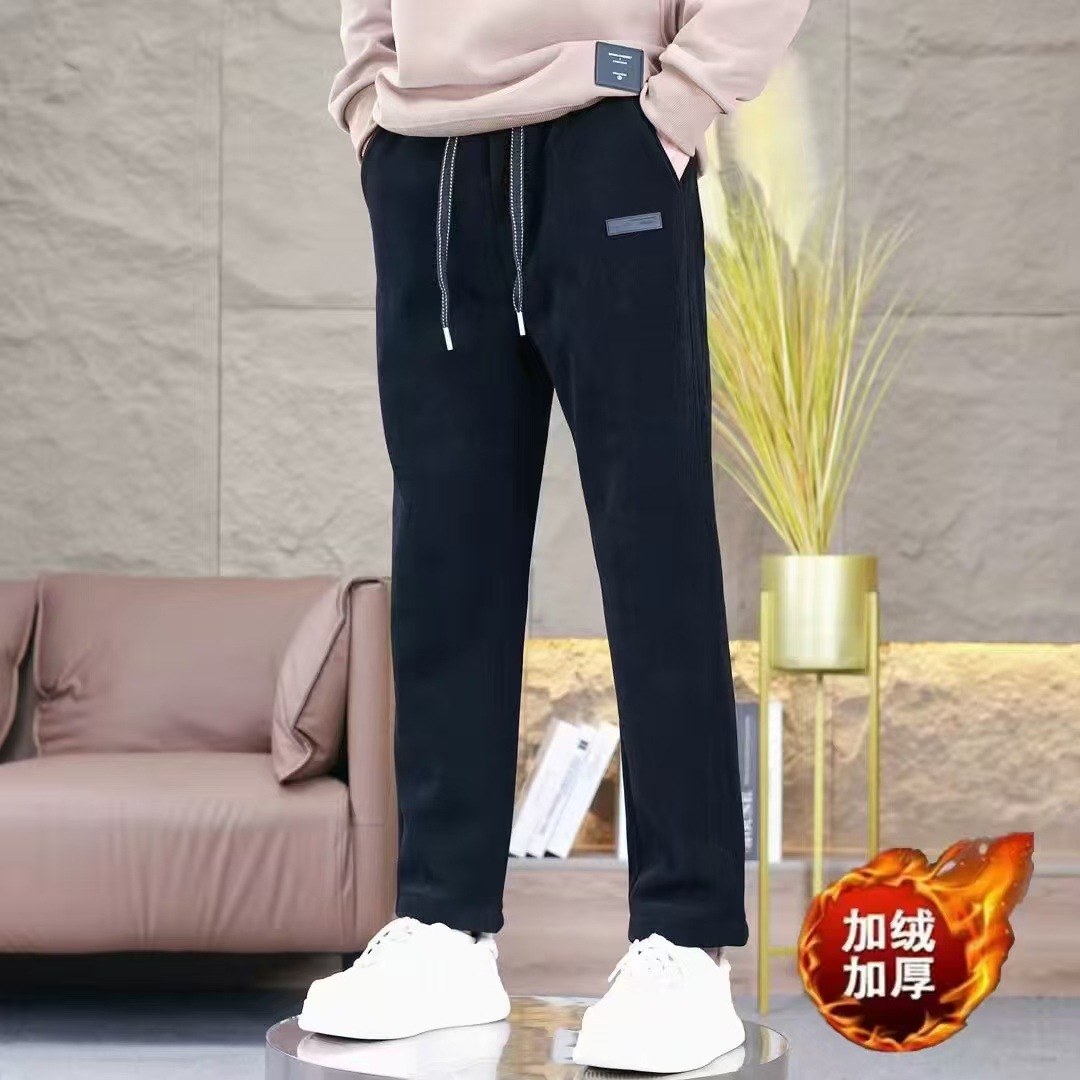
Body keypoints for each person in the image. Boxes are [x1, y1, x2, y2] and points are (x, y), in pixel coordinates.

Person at [300, 0, 808, 1072]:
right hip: (427, 157)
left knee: (655, 554)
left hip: (609, 136)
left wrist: (677, 107)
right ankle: (442, 926)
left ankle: (684, 940)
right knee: (445, 568)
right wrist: (371, 104)